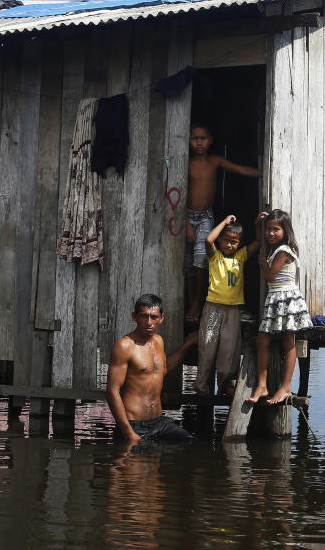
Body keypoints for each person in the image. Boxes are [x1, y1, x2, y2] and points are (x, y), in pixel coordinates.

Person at [185, 124, 262, 322]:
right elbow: (178, 192)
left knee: (202, 258)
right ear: (188, 140)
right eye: (195, 138)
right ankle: (191, 300)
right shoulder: (186, 163)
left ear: (211, 140)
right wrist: (185, 224)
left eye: (203, 138)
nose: (199, 142)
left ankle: (196, 302)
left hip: (205, 216)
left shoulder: (214, 160)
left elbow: (240, 170)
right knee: (186, 264)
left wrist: (265, 172)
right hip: (185, 215)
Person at [107, 294, 198, 443]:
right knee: (137, 464)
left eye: (154, 317)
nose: (149, 322)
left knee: (191, 444)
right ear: (134, 317)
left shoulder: (158, 341)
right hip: (134, 425)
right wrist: (128, 432)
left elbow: (162, 370)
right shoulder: (124, 346)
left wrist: (187, 345)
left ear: (161, 318)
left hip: (159, 422)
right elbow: (112, 391)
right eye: (144, 316)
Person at [246, 210, 313, 405]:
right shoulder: (276, 249)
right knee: (263, 340)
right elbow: (261, 245)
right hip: (277, 298)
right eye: (268, 229)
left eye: (276, 229)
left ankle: (284, 387)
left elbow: (270, 277)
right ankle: (263, 385)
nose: (271, 233)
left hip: (285, 297)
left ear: (285, 230)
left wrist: (262, 264)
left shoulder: (283, 251)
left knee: (288, 342)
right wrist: (257, 225)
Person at [193, 213, 261, 395]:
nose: (229, 245)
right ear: (221, 240)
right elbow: (208, 240)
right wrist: (223, 222)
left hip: (232, 310)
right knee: (207, 347)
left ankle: (224, 385)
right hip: (213, 308)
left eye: (234, 241)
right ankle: (201, 386)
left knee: (229, 350)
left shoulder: (240, 257)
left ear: (239, 243)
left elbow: (257, 242)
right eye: (226, 240)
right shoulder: (215, 256)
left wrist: (257, 224)